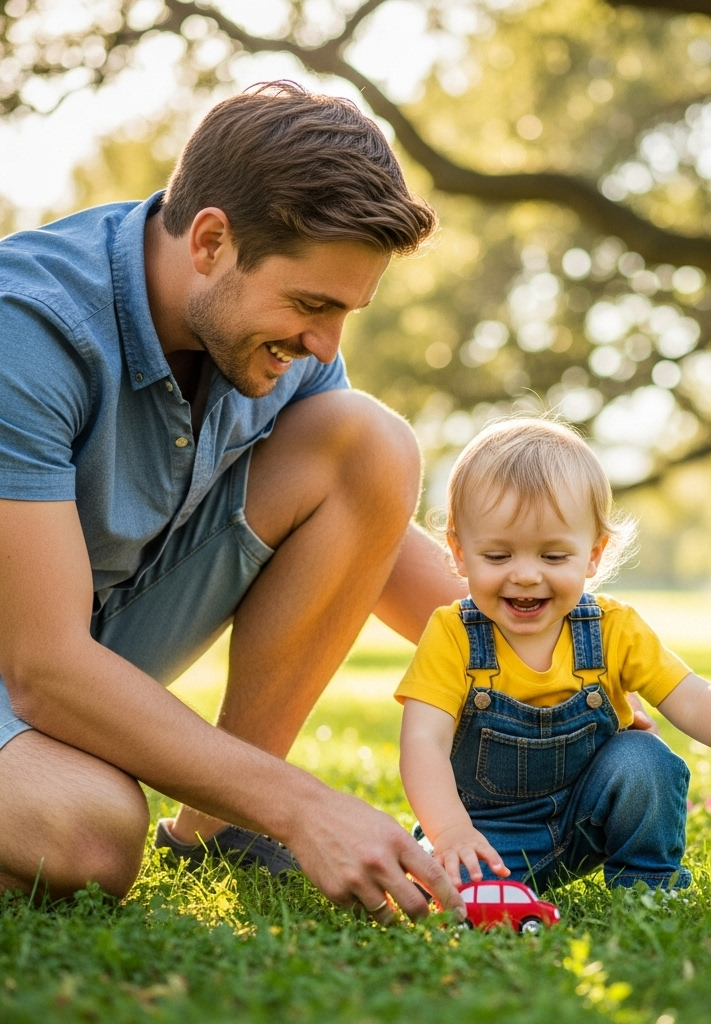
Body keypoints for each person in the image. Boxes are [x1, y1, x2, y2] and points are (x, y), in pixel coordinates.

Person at [0, 81, 470, 921]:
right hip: (33, 651)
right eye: (312, 305)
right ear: (212, 240)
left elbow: (367, 527)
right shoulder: (28, 329)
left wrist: (571, 661)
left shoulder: (277, 343)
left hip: (97, 628)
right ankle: (246, 808)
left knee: (371, 441)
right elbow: (41, 666)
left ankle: (217, 830)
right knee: (90, 833)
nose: (325, 344)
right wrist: (303, 806)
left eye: (347, 312)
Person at [397, 420, 711, 891]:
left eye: (554, 557)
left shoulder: (613, 629)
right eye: (498, 556)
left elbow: (694, 697)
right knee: (436, 886)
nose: (525, 575)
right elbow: (423, 743)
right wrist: (452, 831)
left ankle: (647, 886)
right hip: (485, 840)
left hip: (585, 823)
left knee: (644, 758)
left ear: (594, 554)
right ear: (459, 552)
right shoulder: (452, 635)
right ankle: (483, 878)